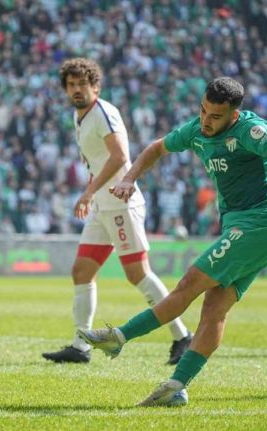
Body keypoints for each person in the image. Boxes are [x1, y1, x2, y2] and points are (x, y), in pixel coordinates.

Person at [78, 77, 267, 406]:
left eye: (215, 116)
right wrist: (129, 179)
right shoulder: (196, 129)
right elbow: (157, 148)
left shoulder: (250, 131)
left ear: (234, 116)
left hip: (260, 225)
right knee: (214, 308)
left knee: (189, 283)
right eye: (203, 110)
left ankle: (119, 337)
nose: (206, 120)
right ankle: (176, 387)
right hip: (244, 227)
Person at [42, 58, 193, 365]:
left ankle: (183, 336)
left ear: (95, 86)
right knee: (82, 272)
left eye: (82, 84)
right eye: (71, 85)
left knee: (138, 274)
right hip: (102, 205)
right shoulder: (79, 116)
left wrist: (88, 192)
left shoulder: (103, 113)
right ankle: (80, 346)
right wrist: (92, 194)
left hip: (121, 203)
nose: (76, 89)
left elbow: (120, 156)